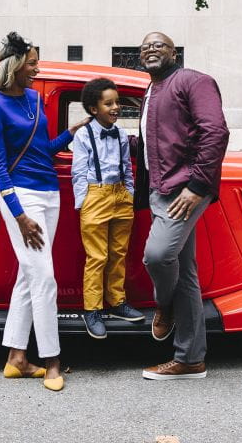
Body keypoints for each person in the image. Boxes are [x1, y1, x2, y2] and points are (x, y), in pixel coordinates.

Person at [0, 32, 90, 392]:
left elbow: (42, 149)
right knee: (44, 278)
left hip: (49, 193)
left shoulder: (33, 98)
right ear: (14, 66)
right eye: (32, 63)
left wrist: (71, 133)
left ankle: (16, 359)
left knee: (29, 276)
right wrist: (19, 215)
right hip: (22, 197)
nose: (37, 69)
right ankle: (52, 361)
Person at [136, 31, 230, 380]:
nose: (151, 49)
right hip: (159, 189)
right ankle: (190, 359)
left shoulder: (194, 81)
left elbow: (215, 132)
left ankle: (164, 304)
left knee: (158, 256)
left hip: (185, 189)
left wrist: (197, 186)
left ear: (174, 53)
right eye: (145, 46)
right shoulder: (150, 90)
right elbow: (157, 139)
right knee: (186, 274)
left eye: (158, 45)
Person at [71, 78, 144, 339]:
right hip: (96, 196)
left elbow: (126, 167)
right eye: (109, 104)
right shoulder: (83, 134)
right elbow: (79, 171)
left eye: (117, 102)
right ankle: (92, 309)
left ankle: (116, 301)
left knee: (118, 253)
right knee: (97, 256)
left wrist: (129, 193)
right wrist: (84, 203)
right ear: (94, 109)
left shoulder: (121, 134)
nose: (115, 107)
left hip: (120, 195)